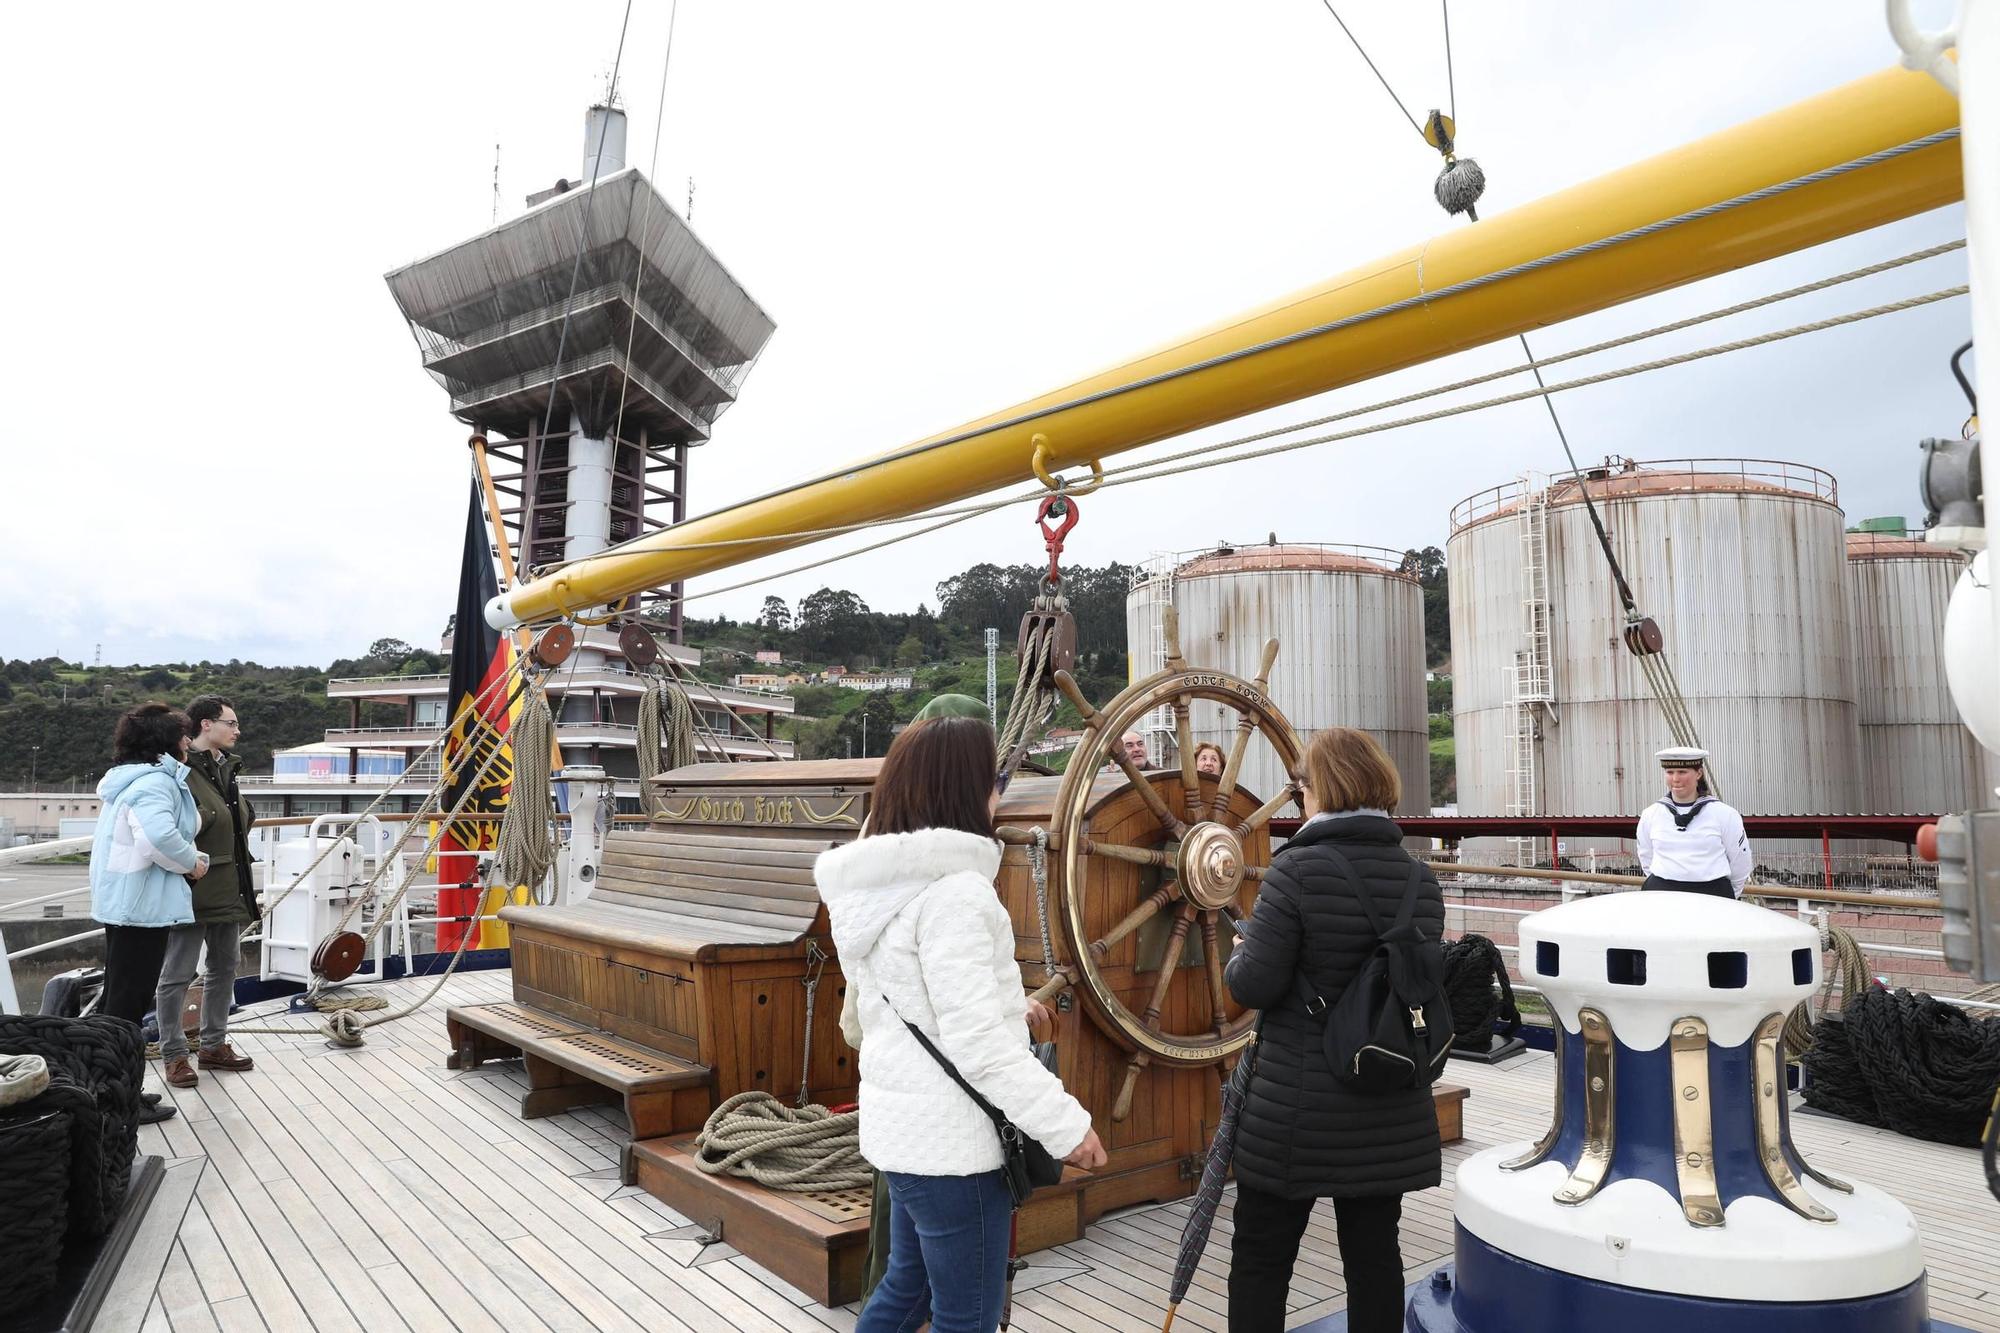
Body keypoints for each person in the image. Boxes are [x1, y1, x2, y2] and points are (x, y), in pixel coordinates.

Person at [819, 716, 1106, 1333]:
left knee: (907, 1291)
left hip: (902, 1136)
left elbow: (905, 1009)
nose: (1000, 788)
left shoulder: (874, 895)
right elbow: (978, 1044)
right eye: (994, 776)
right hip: (954, 1148)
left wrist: (1006, 1009)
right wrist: (1067, 1127)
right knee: (966, 1316)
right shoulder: (957, 895)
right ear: (965, 788)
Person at [1221, 727, 1444, 1333]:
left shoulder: (1294, 873)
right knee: (1374, 1260)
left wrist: (1238, 954)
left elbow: (1254, 987)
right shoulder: (1421, 882)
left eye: (1302, 788)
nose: (1301, 799)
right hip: (1386, 1102)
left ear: (1324, 789)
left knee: (1263, 1260)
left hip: (1296, 1110)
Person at [89, 702, 209, 1126]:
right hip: (140, 907)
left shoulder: (133, 779)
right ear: (167, 741)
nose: (188, 742)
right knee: (126, 1004)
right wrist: (192, 862)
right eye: (183, 735)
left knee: (120, 999)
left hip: (129, 903)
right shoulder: (155, 782)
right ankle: (116, 1098)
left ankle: (111, 1089)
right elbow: (157, 837)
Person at [156, 696, 258, 1088]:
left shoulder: (225, 768)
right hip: (192, 887)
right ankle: (174, 1054)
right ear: (204, 725)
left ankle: (214, 1044)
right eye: (229, 723)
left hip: (229, 886)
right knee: (177, 974)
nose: (237, 730)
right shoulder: (179, 770)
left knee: (225, 967)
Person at [1635, 747, 1751, 898]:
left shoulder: (1724, 814)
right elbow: (1646, 855)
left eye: (1682, 772)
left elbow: (1740, 861)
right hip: (1662, 895)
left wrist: (1728, 896)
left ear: (1699, 773)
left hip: (1712, 895)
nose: (1675, 779)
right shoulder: (1651, 814)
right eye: (1670, 772)